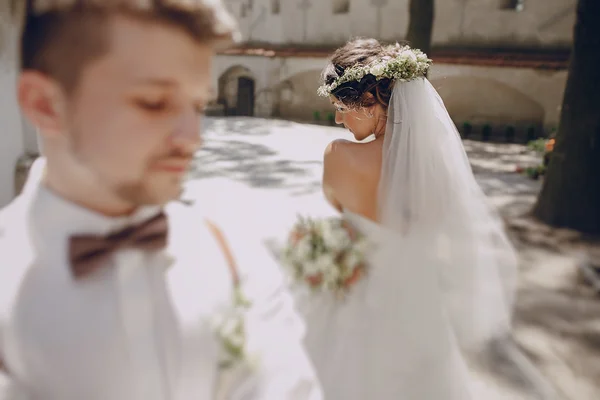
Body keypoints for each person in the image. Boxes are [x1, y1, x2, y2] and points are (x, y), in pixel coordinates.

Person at [0, 1, 322, 399]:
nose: (193, 138)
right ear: (44, 105)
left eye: (198, 106)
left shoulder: (232, 256)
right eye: (153, 102)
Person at [293, 38, 561, 399]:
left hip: (361, 297)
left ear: (370, 101)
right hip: (420, 300)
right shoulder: (437, 166)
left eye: (341, 106)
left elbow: (337, 205)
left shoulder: (338, 155)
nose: (338, 118)